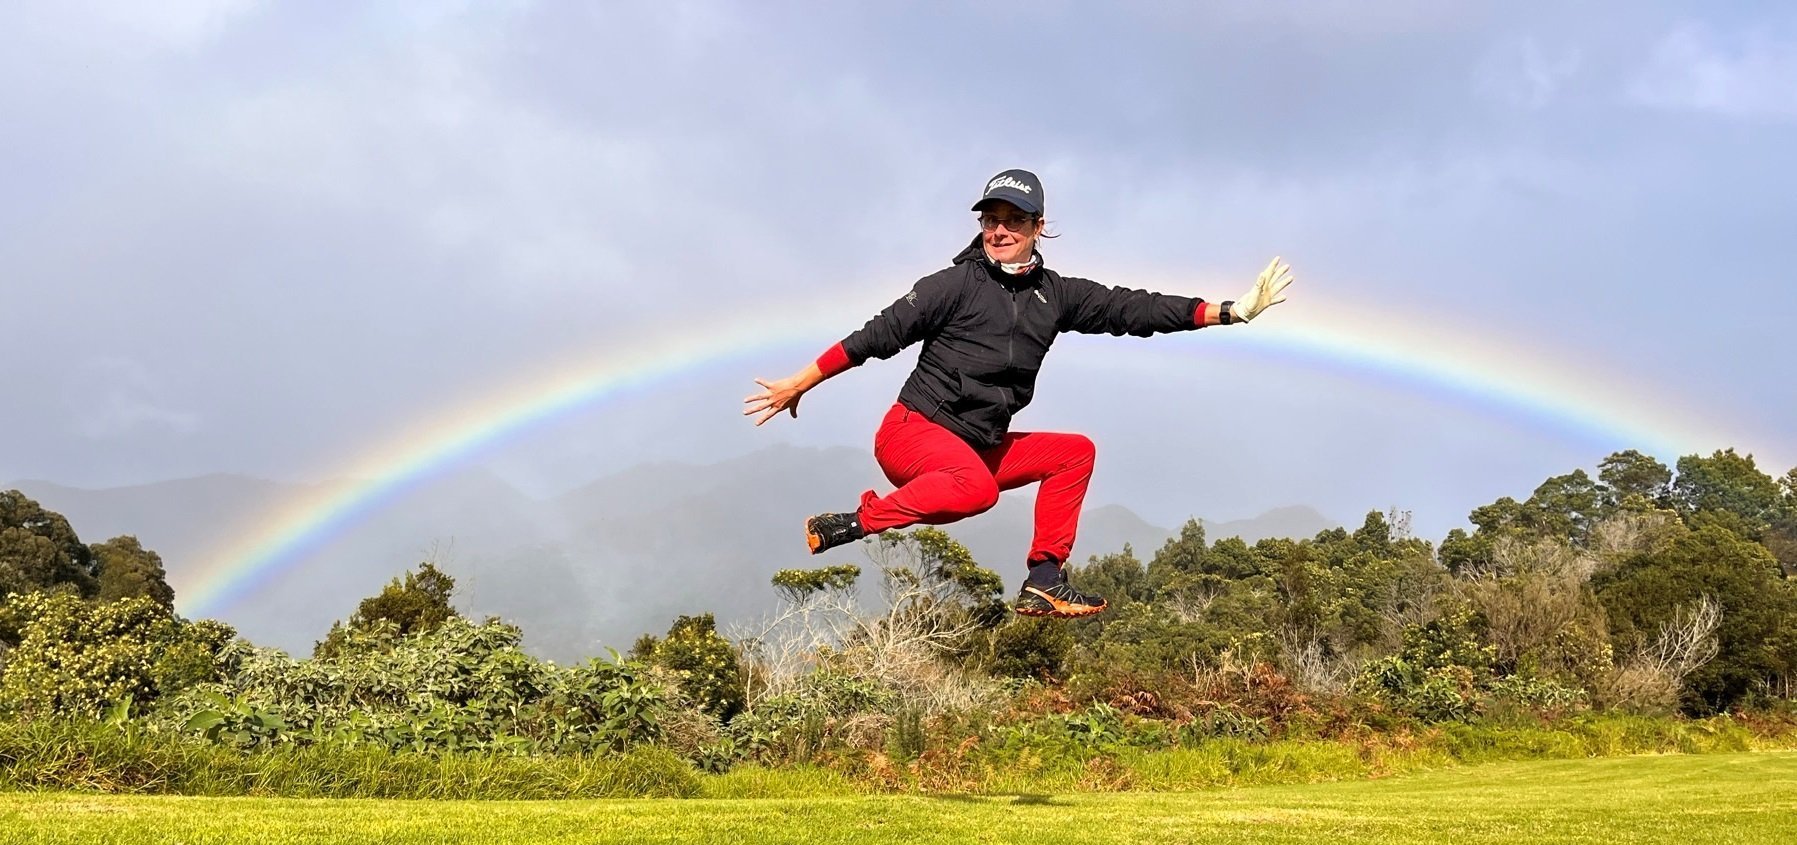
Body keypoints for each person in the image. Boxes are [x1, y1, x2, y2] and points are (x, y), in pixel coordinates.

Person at [744, 168, 1293, 619]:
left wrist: (1229, 312)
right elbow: (875, 338)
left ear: (1038, 226)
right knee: (976, 490)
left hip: (979, 445)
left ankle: (1045, 579)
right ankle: (855, 522)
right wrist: (801, 382)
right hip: (913, 434)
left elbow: (1135, 308)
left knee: (1074, 452)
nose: (1000, 230)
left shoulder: (1055, 296)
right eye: (991, 220)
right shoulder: (952, 286)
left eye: (1014, 220)